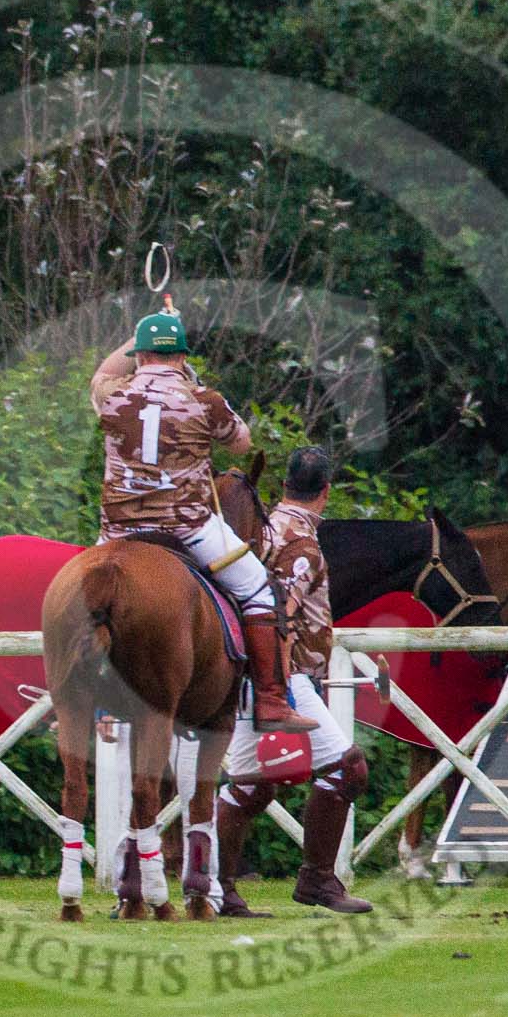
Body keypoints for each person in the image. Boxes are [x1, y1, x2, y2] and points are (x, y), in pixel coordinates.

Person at [90, 307, 316, 734]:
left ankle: (77, 698)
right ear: (181, 356)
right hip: (187, 527)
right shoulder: (204, 400)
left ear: (139, 356)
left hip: (117, 530)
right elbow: (241, 443)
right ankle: (270, 700)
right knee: (259, 590)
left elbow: (102, 372)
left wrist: (143, 324)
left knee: (85, 598)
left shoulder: (111, 393)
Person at [210, 447, 371, 915]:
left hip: (249, 674)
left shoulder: (262, 527)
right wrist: (275, 688)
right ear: (325, 491)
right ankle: (316, 880)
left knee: (250, 784)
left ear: (284, 487)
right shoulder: (300, 541)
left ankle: (219, 889)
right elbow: (281, 611)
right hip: (283, 673)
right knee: (347, 769)